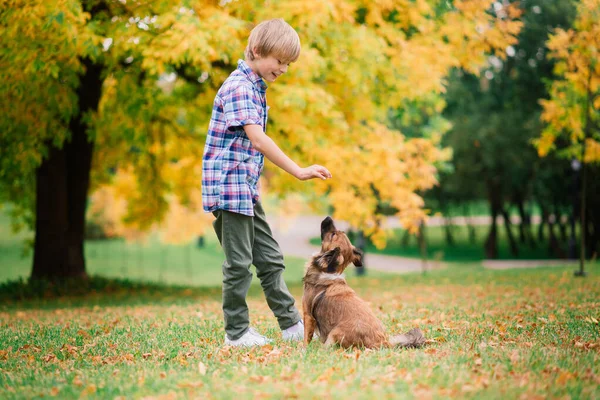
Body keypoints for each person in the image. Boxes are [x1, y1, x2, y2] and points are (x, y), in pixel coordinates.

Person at [202, 18, 332, 347]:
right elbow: (258, 141)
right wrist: (299, 170)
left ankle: (290, 324)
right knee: (239, 263)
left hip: (245, 190)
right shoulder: (239, 87)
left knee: (271, 258)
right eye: (280, 61)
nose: (284, 69)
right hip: (230, 190)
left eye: (288, 64)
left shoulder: (255, 88)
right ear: (258, 51)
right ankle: (236, 333)